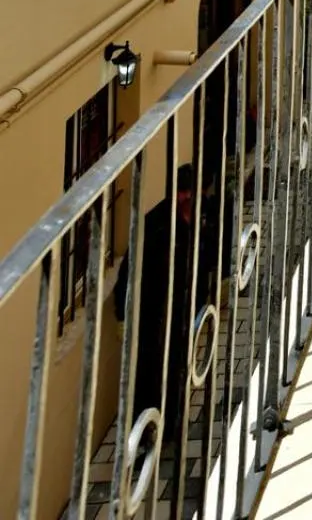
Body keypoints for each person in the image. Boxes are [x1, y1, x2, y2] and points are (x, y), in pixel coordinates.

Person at [114, 164, 194, 443]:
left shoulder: (197, 218)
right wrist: (121, 316)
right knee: (146, 376)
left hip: (177, 313)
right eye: (181, 192)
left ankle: (169, 427)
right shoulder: (156, 223)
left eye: (188, 192)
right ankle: (141, 437)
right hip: (149, 314)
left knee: (174, 369)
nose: (185, 198)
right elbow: (128, 267)